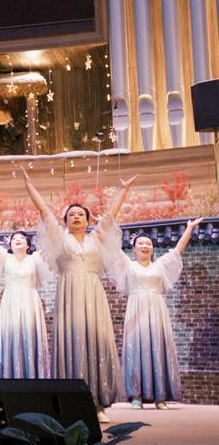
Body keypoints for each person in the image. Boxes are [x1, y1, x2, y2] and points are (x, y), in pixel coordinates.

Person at [21, 167, 134, 423]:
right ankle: (71, 403)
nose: (76, 217)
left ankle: (98, 403)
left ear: (88, 220)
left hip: (93, 294)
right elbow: (44, 212)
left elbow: (111, 216)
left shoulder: (97, 238)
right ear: (65, 221)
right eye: (71, 214)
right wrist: (30, 187)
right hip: (69, 294)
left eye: (80, 214)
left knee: (96, 340)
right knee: (72, 341)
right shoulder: (60, 239)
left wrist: (122, 190)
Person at [101, 218, 201, 410]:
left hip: (157, 309)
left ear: (153, 248)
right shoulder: (128, 264)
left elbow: (178, 250)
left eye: (148, 244)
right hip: (136, 309)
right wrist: (106, 227)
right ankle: (136, 395)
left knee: (158, 347)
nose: (145, 246)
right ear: (134, 248)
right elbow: (113, 248)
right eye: (141, 243)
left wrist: (189, 229)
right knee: (136, 348)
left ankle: (160, 396)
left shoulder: (160, 265)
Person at [0, 228, 52, 379]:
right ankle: (11, 378)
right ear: (10, 244)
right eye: (14, 238)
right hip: (11, 302)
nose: (17, 240)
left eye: (21, 238)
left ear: (28, 245)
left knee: (30, 335)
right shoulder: (5, 257)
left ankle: (35, 379)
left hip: (30, 302)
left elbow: (52, 243)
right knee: (12, 336)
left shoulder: (35, 258)